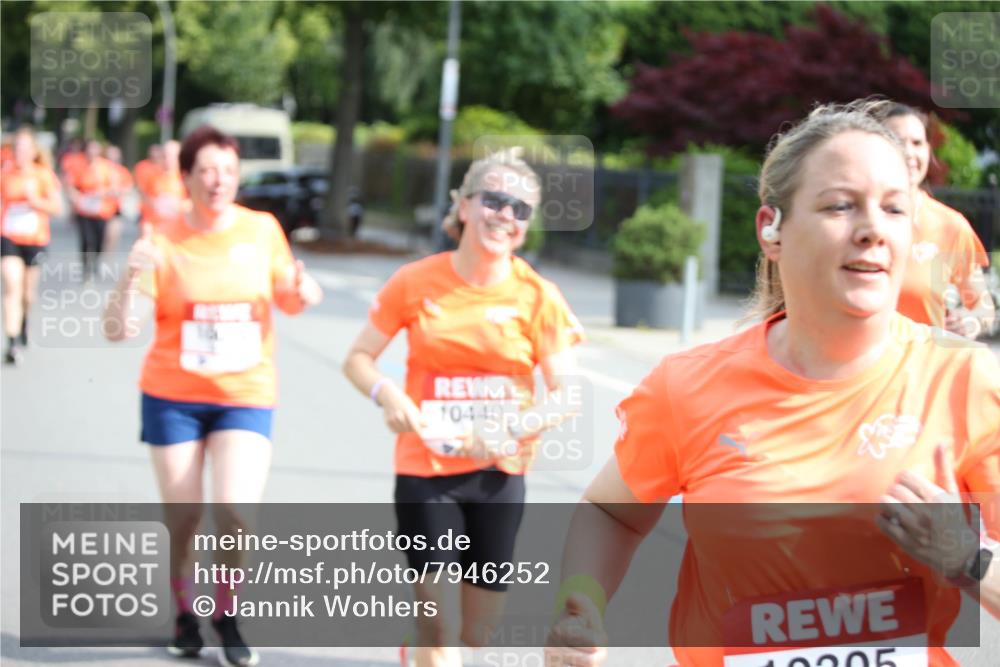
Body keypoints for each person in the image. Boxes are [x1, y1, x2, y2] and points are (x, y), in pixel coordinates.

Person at [546, 99, 1000, 667]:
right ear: (772, 229)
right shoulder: (688, 386)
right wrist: (581, 603)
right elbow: (610, 511)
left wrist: (968, 559)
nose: (872, 230)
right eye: (840, 205)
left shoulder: (966, 381)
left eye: (894, 208)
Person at [343, 147, 584, 667]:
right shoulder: (415, 281)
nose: (505, 215)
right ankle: (429, 644)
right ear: (465, 204)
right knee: (441, 626)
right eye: (493, 200)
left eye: (520, 208)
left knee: (478, 632)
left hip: (499, 472)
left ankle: (419, 649)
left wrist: (512, 428)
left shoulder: (538, 296)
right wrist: (387, 394)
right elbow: (358, 359)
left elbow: (567, 395)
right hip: (426, 470)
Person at [102, 125, 323, 666]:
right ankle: (184, 615)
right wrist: (128, 279)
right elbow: (120, 329)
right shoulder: (162, 239)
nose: (218, 180)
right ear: (187, 177)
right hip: (173, 397)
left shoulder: (262, 230)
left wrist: (303, 290)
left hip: (245, 394)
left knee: (236, 512)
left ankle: (227, 614)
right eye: (206, 170)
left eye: (227, 170)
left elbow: (289, 298)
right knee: (185, 520)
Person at [882, 104, 995, 339]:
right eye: (897, 141)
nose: (909, 152)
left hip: (925, 360)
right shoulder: (853, 219)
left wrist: (970, 321)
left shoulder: (950, 226)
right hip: (856, 359)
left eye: (917, 143)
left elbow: (984, 308)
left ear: (928, 150)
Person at [1, 127, 62, 365]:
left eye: (25, 148)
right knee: (11, 286)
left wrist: (35, 200)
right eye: (17, 148)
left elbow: (57, 208)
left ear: (34, 151)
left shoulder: (43, 175)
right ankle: (12, 341)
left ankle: (24, 322)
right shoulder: (5, 174)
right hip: (8, 237)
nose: (20, 153)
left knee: (27, 293)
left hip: (35, 240)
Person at [66, 139, 117, 281]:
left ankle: (96, 261)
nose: (91, 153)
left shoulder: (106, 166)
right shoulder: (78, 166)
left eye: (95, 149)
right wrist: (76, 196)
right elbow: (70, 186)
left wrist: (103, 192)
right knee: (86, 239)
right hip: (84, 209)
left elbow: (114, 187)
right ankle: (86, 267)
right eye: (89, 149)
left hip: (101, 210)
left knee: (100, 239)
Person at [138, 140, 186, 229]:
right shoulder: (151, 174)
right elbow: (143, 197)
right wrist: (156, 203)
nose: (168, 160)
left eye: (172, 156)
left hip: (179, 228)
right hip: (156, 227)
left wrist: (178, 205)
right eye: (165, 156)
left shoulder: (186, 178)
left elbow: (194, 202)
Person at [103, 144, 135, 254]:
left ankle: (108, 254)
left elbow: (129, 187)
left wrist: (119, 191)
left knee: (113, 233)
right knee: (101, 234)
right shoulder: (100, 169)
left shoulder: (122, 171)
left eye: (114, 154)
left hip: (115, 207)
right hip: (101, 207)